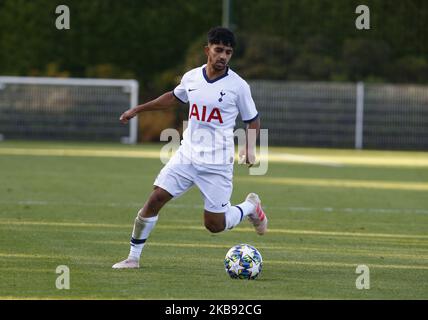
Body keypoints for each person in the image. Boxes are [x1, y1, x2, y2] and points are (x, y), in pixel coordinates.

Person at [112, 26, 267, 269]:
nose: (223, 56)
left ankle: (250, 207)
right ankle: (133, 257)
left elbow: (253, 120)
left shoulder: (238, 86)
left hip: (217, 163)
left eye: (228, 52)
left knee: (214, 225)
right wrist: (138, 109)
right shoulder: (192, 77)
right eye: (218, 50)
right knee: (155, 199)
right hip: (186, 155)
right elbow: (173, 97)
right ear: (207, 50)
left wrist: (249, 147)